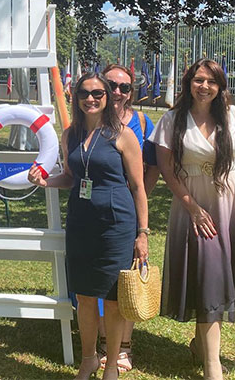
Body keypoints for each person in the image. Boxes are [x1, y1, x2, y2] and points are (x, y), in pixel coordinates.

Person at [149, 59, 235, 380]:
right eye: (198, 80)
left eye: (211, 81)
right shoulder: (172, 120)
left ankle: (201, 345)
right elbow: (166, 168)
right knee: (206, 273)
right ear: (188, 83)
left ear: (220, 87)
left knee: (223, 274)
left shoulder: (232, 116)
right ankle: (212, 365)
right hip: (196, 205)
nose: (203, 86)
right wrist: (192, 207)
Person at [27, 72, 149, 380]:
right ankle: (88, 359)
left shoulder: (122, 135)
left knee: (113, 298)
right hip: (81, 223)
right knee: (83, 296)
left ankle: (111, 365)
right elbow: (71, 178)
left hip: (116, 225)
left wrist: (142, 233)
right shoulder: (71, 135)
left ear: (107, 97)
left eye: (97, 93)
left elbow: (138, 187)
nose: (90, 99)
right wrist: (45, 182)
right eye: (84, 93)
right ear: (75, 97)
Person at [95, 64, 160, 372]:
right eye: (111, 85)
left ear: (132, 92)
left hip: (129, 212)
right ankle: (104, 342)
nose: (117, 92)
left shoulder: (143, 122)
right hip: (95, 213)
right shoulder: (90, 119)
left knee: (127, 279)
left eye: (124, 87)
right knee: (100, 280)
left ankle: (123, 347)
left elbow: (150, 171)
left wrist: (136, 206)